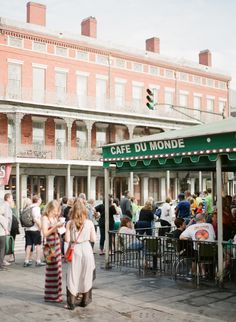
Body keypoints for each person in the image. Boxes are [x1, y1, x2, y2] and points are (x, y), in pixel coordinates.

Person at [65, 199, 96, 310]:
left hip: (76, 249)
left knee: (73, 276)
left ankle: (71, 302)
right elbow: (94, 239)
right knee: (86, 275)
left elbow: (67, 239)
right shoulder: (90, 223)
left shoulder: (70, 223)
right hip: (87, 249)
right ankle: (84, 300)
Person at [42, 200, 64, 303]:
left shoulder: (55, 218)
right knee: (52, 270)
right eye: (55, 210)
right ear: (50, 208)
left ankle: (57, 294)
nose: (56, 212)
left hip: (57, 245)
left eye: (57, 210)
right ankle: (50, 295)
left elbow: (57, 231)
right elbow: (45, 233)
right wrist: (55, 226)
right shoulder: (45, 218)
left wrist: (60, 227)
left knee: (58, 271)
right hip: (50, 246)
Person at [23, 195, 45, 267]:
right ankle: (38, 261)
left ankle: (26, 261)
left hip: (27, 229)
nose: (41, 201)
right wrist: (40, 227)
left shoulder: (28, 207)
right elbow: (36, 219)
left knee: (28, 245)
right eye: (40, 199)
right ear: (38, 200)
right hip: (35, 229)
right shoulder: (36, 208)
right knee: (38, 245)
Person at [0, 205, 9, 271]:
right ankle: (1, 266)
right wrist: (7, 231)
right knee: (2, 250)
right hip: (1, 235)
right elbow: (5, 226)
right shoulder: (1, 217)